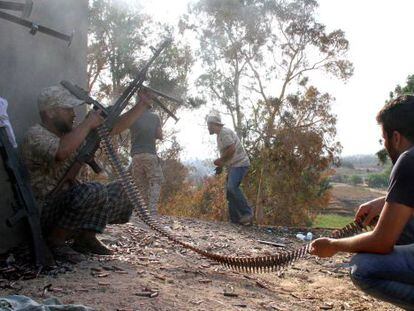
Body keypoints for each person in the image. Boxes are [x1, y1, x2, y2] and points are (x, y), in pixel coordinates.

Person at [21, 85, 150, 262]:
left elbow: (112, 128)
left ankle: (85, 239)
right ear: (50, 113)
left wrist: (141, 105)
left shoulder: (73, 135)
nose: (74, 114)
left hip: (71, 209)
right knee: (93, 190)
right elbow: (61, 151)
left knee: (123, 189)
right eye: (68, 110)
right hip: (45, 212)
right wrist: (88, 123)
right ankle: (55, 241)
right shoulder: (35, 134)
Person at [310, 95, 414, 310]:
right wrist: (387, 201)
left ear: (396, 137)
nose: (384, 145)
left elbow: (381, 242)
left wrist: (333, 245)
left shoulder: (409, 160)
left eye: (383, 139)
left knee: (364, 267)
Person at [207, 114, 253, 225]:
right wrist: (221, 166)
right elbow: (228, 153)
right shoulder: (220, 135)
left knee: (232, 187)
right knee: (229, 192)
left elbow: (232, 149)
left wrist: (220, 160)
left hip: (240, 164)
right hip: (234, 165)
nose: (208, 127)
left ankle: (247, 214)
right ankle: (235, 219)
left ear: (214, 124)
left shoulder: (224, 132)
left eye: (209, 125)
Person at [129, 93, 164, 217]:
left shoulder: (132, 117)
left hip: (135, 156)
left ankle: (140, 211)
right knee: (156, 180)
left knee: (140, 184)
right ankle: (152, 210)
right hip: (150, 153)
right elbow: (160, 135)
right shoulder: (155, 117)